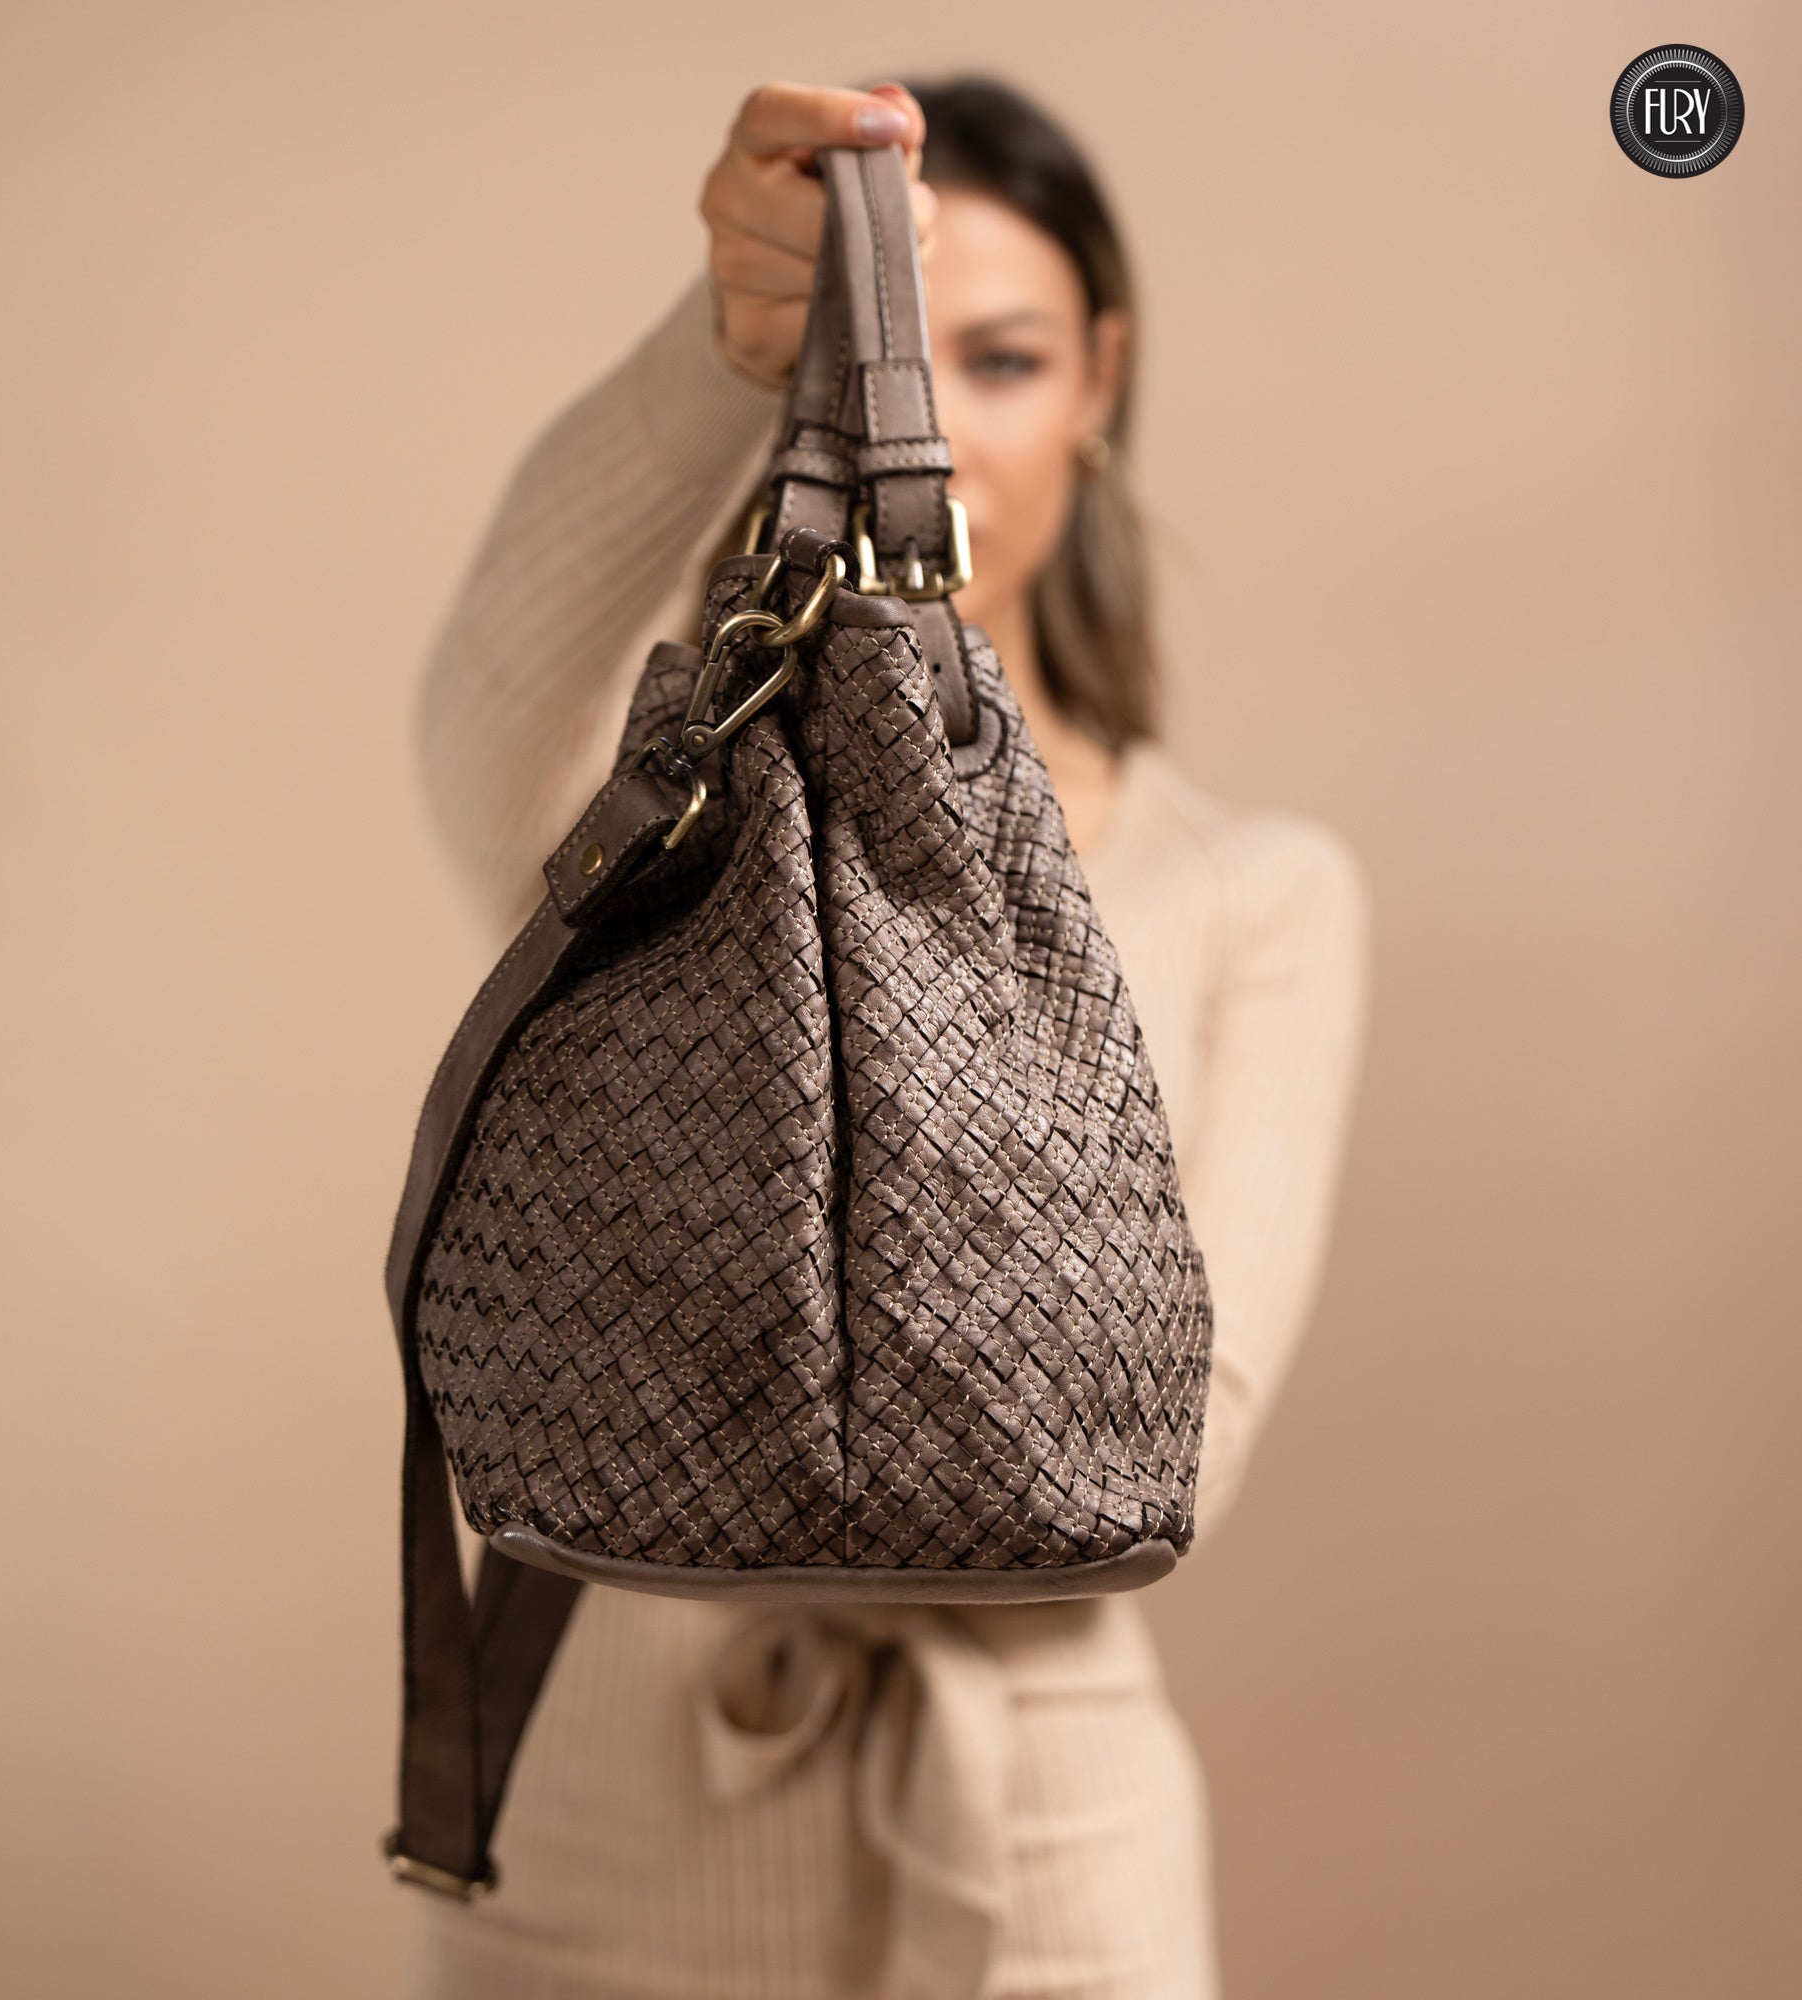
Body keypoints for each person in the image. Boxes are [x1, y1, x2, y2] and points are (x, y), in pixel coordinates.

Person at [408, 74, 1369, 2000]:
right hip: (601, 1866)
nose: (944, 419)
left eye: (1002, 359)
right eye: (896, 362)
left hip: (1050, 1880)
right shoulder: (661, 828)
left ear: (1100, 378)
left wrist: (686, 1394)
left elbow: (1163, 1443)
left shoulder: (1259, 892)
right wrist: (726, 345)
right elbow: (484, 726)